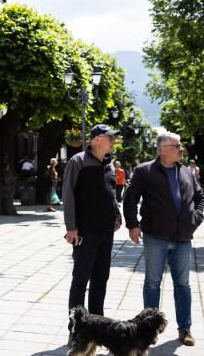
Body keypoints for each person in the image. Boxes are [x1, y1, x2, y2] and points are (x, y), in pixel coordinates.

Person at [124, 131, 204, 348]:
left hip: (183, 238)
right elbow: (130, 197)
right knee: (152, 283)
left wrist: (195, 219)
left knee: (183, 285)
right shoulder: (145, 171)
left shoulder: (187, 171)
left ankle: (185, 328)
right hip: (156, 236)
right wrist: (132, 224)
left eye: (180, 145)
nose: (181, 149)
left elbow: (199, 197)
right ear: (163, 149)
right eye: (177, 146)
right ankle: (148, 330)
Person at [62, 124, 122, 317]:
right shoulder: (78, 161)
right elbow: (68, 195)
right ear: (97, 139)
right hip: (85, 231)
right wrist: (71, 227)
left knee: (101, 279)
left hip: (106, 231)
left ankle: (97, 326)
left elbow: (112, 194)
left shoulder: (109, 164)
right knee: (81, 279)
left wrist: (117, 215)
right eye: (109, 138)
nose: (113, 141)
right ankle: (77, 328)